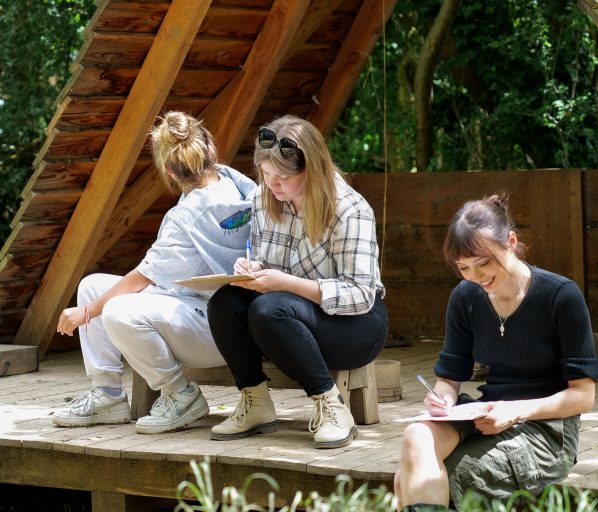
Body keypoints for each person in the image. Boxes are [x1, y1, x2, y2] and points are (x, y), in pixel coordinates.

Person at [54, 111, 257, 434]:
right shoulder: (234, 183)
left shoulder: (188, 214)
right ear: (211, 151)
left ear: (168, 170)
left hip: (219, 330)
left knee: (117, 310)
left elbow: (143, 276)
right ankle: (108, 395)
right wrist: (92, 305)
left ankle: (180, 394)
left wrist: (87, 313)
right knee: (93, 286)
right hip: (207, 308)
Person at [395, 194, 598, 510]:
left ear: (511, 242)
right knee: (416, 437)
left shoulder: (561, 296)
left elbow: (583, 397)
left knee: (414, 478)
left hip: (547, 428)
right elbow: (449, 380)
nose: (476, 277)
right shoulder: (465, 297)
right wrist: (442, 399)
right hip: (485, 414)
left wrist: (514, 411)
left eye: (484, 263)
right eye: (464, 267)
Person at [206, 115, 388, 449]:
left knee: (268, 309)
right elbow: (269, 264)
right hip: (288, 311)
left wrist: (285, 283)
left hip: (356, 324)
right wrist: (252, 268)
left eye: (283, 177)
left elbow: (361, 295)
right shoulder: (264, 198)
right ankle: (256, 402)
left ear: (312, 170)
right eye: (266, 174)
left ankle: (332, 406)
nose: (272, 185)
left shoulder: (350, 208)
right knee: (224, 302)